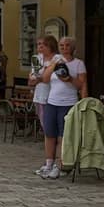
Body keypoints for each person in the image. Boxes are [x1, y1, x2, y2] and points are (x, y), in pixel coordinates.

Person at [39, 36, 87, 179]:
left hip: (68, 103)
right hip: (52, 102)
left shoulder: (78, 64)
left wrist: (69, 79)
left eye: (67, 45)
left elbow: (81, 85)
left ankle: (60, 165)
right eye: (61, 45)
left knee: (63, 136)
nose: (64, 48)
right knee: (49, 134)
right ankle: (49, 163)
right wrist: (54, 65)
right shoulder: (55, 60)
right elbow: (45, 79)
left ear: (72, 48)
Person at [29, 35, 60, 176]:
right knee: (47, 131)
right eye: (38, 44)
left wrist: (40, 78)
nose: (40, 47)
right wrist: (39, 78)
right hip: (40, 97)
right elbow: (32, 80)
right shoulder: (37, 59)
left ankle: (57, 162)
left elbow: (47, 79)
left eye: (43, 44)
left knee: (55, 131)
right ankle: (49, 161)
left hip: (54, 98)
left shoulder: (57, 59)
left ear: (50, 45)